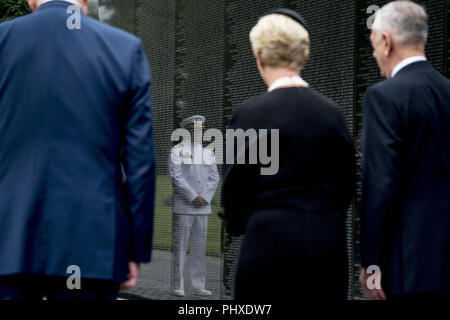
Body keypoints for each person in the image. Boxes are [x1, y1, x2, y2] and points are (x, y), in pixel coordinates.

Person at [0, 0, 156, 300]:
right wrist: (134, 249)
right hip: (90, 246)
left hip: (8, 243)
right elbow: (139, 163)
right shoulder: (124, 49)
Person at [221, 9, 355, 300]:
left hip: (268, 246)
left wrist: (238, 224)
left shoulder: (250, 114)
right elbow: (346, 186)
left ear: (259, 56)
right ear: (303, 57)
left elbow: (234, 190)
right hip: (327, 248)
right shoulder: (334, 115)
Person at [359, 1, 450, 300]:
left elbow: (380, 185)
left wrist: (372, 264)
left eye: (373, 45)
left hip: (408, 259)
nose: (373, 55)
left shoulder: (384, 97)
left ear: (386, 41)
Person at [169, 115, 219, 297]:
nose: (199, 132)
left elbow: (214, 178)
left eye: (201, 128)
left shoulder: (208, 153)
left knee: (199, 247)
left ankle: (198, 285)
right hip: (184, 206)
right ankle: (178, 285)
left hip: (203, 207)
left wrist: (204, 197)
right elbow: (176, 178)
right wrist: (192, 196)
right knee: (180, 247)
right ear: (187, 130)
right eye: (195, 128)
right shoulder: (177, 151)